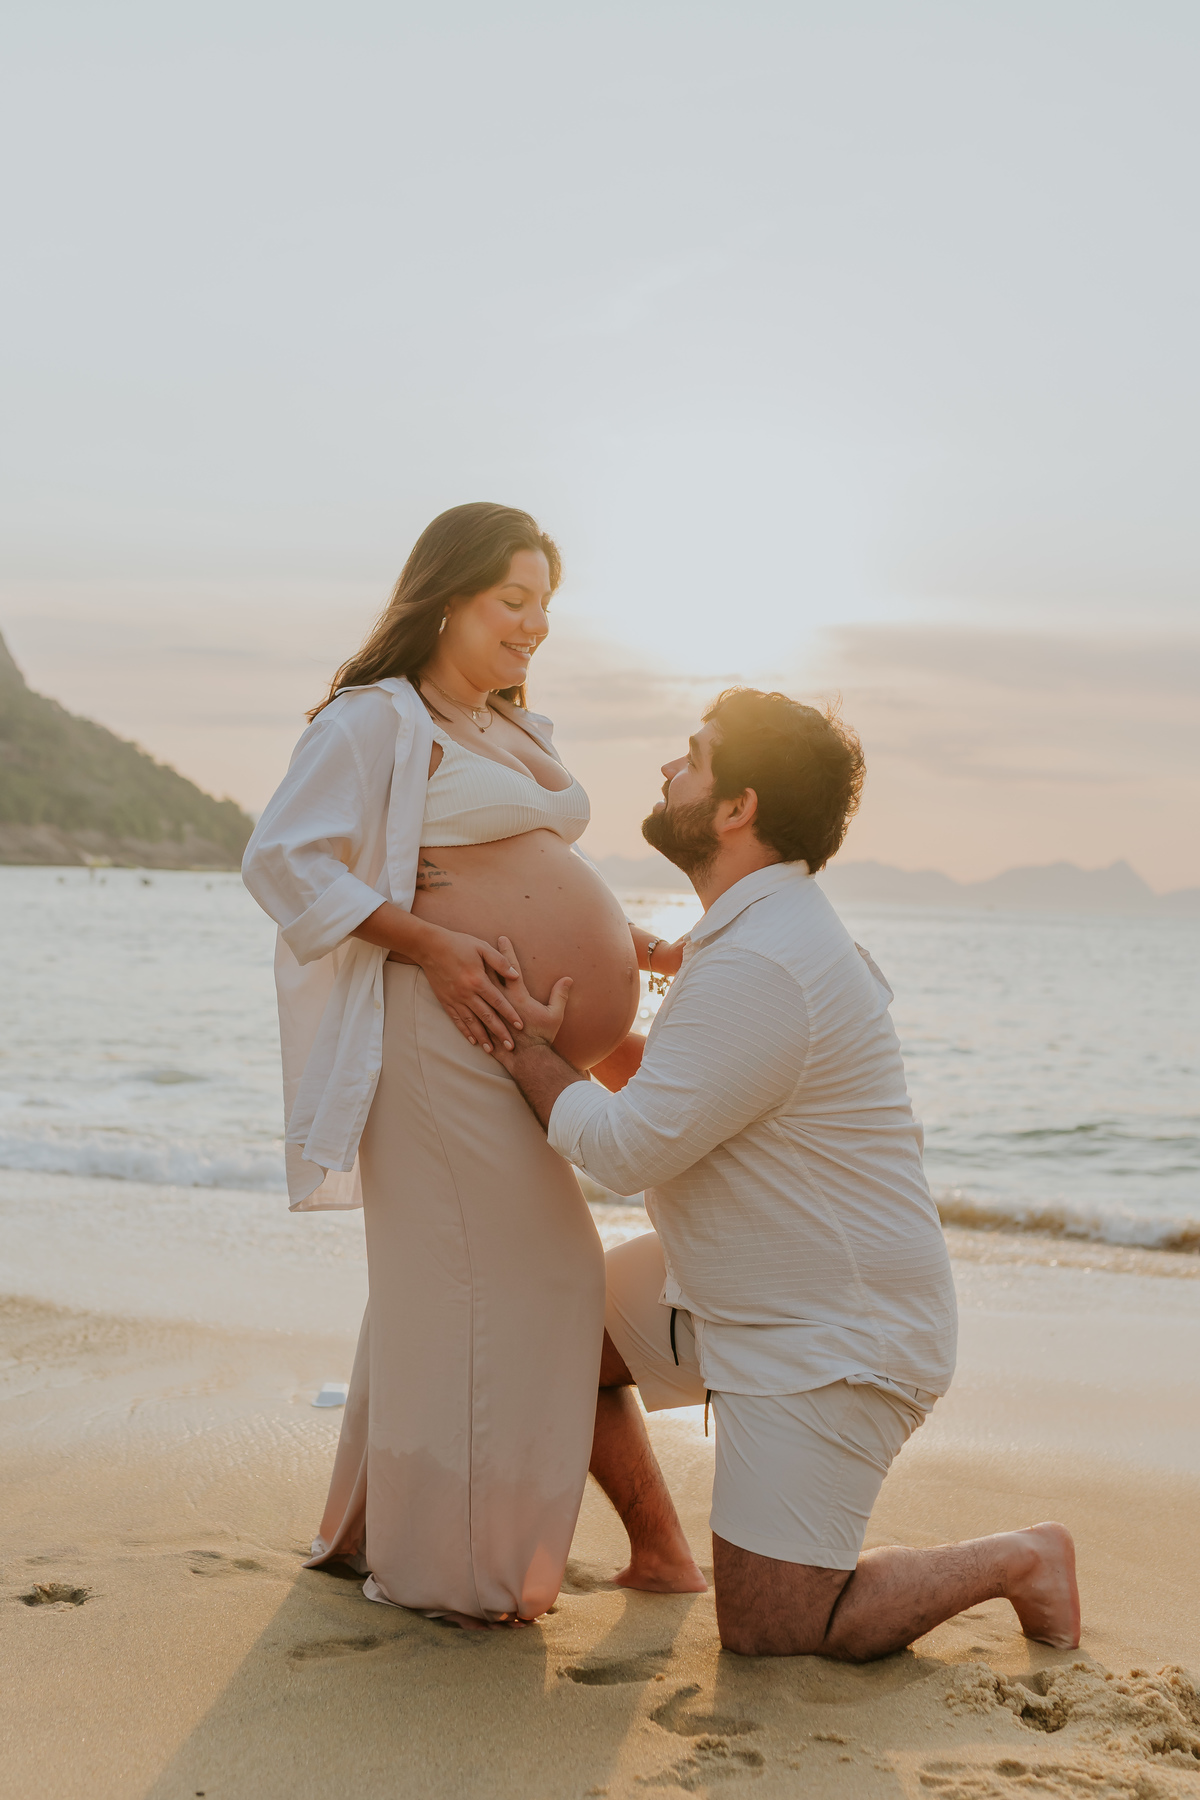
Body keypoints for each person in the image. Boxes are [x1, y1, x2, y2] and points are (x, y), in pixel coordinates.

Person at [477, 687, 1082, 1660]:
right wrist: (578, 1031)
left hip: (835, 1338)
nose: (668, 769)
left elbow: (627, 1150)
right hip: (740, 1285)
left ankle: (1023, 1557)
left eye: (692, 756)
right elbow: (689, 1096)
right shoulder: (754, 936)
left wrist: (519, 1044)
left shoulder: (764, 960)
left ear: (737, 807)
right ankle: (661, 1555)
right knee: (551, 1336)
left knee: (778, 1630)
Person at [241, 502, 683, 1628]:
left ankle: (381, 1529)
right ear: (446, 597)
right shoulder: (375, 719)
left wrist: (620, 938)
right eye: (512, 600)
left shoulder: (518, 726)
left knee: (448, 1286)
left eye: (546, 606)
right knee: (541, 1281)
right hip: (441, 1044)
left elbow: (518, 861)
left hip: (513, 1044)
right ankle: (462, 1571)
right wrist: (429, 942)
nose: (535, 625)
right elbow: (283, 860)